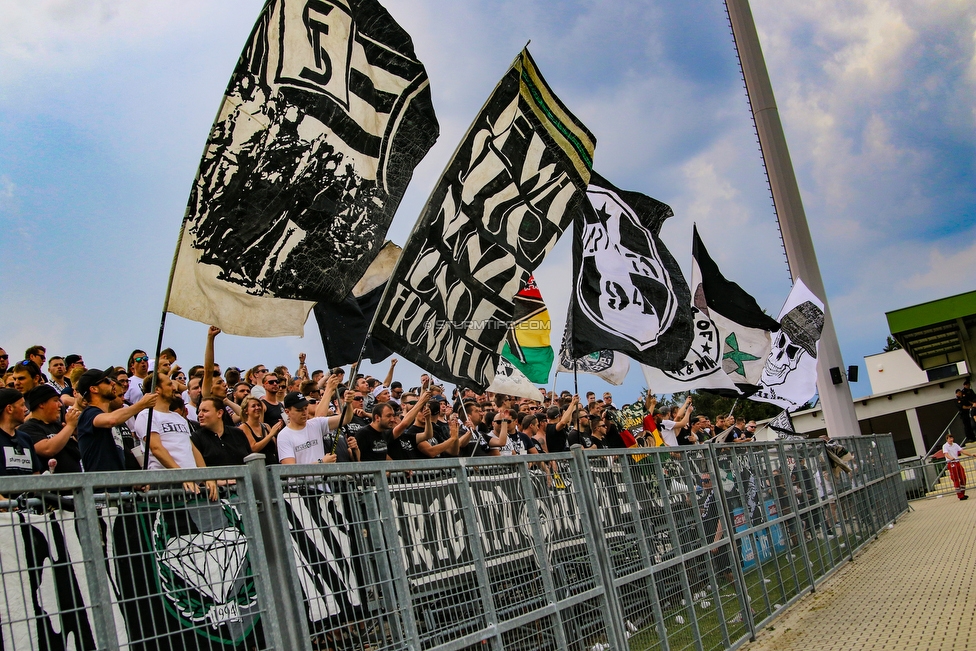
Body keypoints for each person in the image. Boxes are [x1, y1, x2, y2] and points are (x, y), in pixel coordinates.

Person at [134, 372, 217, 499]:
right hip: (167, 485)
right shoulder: (146, 415)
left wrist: (206, 477)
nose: (174, 388)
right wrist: (181, 476)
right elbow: (157, 449)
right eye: (169, 385)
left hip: (191, 483)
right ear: (157, 389)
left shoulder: (178, 418)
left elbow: (192, 449)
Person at [76, 368, 156, 472]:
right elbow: (111, 420)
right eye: (107, 381)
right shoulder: (88, 414)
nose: (113, 383)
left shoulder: (114, 417)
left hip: (118, 484)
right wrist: (142, 404)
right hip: (101, 486)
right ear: (94, 389)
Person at [277, 390, 356, 465]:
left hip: (322, 478)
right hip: (303, 479)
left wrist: (349, 404)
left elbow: (345, 418)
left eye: (305, 408)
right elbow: (290, 469)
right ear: (287, 412)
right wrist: (321, 462)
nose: (304, 412)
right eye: (299, 410)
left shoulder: (316, 423)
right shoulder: (284, 435)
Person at [19, 385, 82, 473]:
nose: (60, 404)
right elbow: (48, 449)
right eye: (55, 400)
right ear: (41, 404)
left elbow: (78, 453)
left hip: (75, 483)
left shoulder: (59, 426)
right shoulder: (28, 428)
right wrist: (70, 426)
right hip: (52, 484)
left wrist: (76, 434)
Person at [192, 398, 252, 467]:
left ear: (219, 413)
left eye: (205, 411)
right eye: (199, 411)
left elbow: (250, 461)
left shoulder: (238, 434)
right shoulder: (196, 438)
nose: (199, 415)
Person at [0, 388, 42, 476]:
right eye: (22, 405)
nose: (26, 409)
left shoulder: (25, 438)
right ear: (9, 408)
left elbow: (35, 473)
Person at [241, 397, 283, 464]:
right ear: (246, 411)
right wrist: (271, 434)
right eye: (253, 406)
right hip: (258, 467)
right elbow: (254, 448)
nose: (257, 408)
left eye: (259, 405)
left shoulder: (266, 426)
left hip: (273, 465)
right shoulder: (244, 427)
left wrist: (278, 432)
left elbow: (276, 448)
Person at [942, 433, 975, 500]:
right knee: (956, 479)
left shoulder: (955, 445)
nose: (951, 440)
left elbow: (962, 451)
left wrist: (971, 454)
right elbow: (946, 454)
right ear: (947, 439)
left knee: (963, 477)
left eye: (952, 438)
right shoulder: (945, 446)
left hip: (957, 462)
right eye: (949, 438)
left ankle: (962, 492)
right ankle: (960, 495)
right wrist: (950, 458)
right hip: (951, 463)